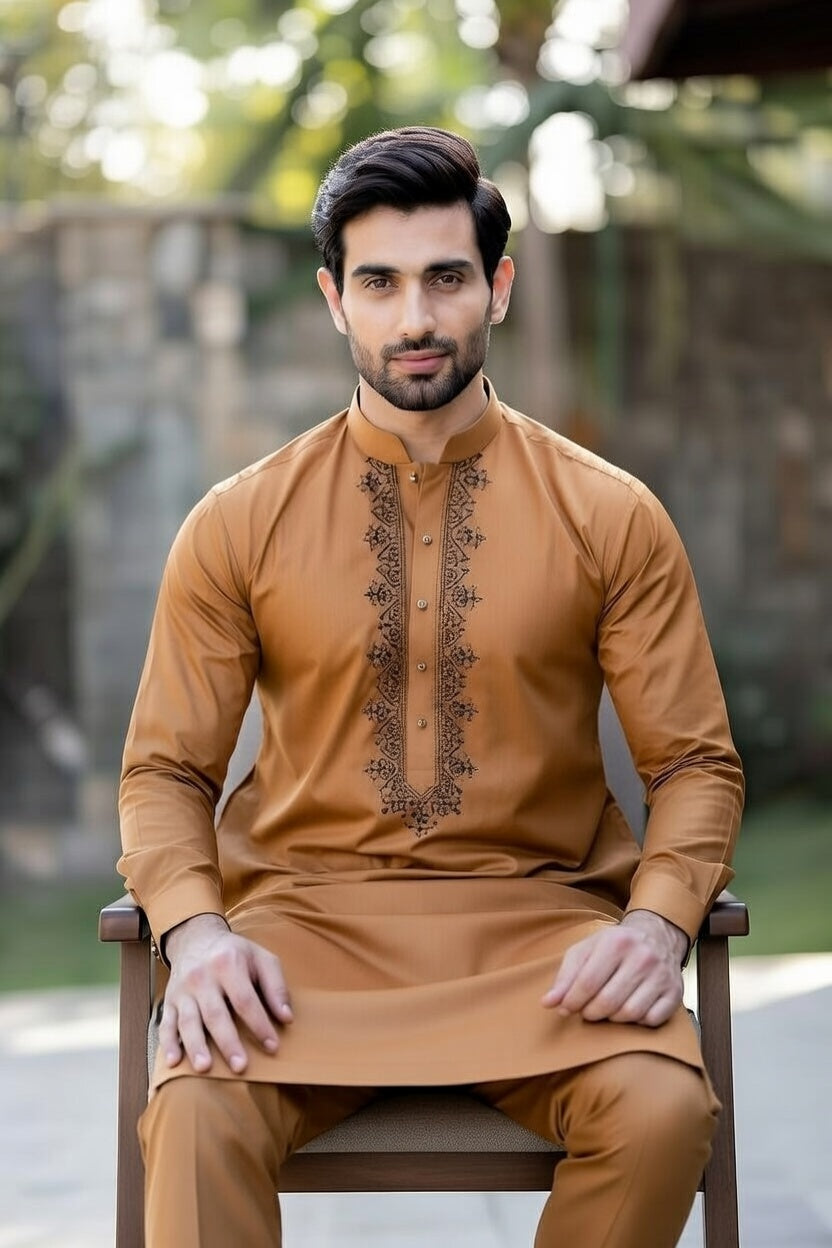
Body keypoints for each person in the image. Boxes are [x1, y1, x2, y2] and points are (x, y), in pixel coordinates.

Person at [118, 126, 743, 1248]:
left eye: (446, 277)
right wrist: (199, 935)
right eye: (380, 283)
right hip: (299, 942)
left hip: (541, 938)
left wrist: (654, 927)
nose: (415, 317)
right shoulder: (238, 522)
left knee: (659, 1112)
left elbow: (693, 763)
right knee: (198, 1109)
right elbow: (166, 769)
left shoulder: (607, 514)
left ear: (496, 288)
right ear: (333, 299)